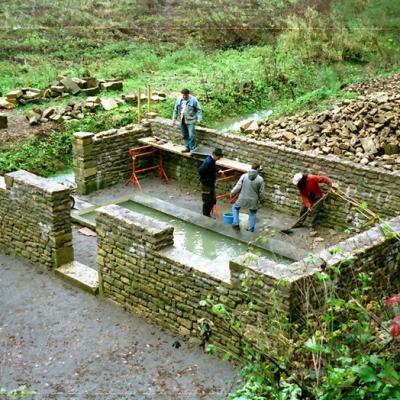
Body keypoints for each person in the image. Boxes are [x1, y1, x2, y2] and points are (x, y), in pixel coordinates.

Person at [230, 164, 265, 232]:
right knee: (253, 213)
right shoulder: (260, 179)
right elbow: (261, 193)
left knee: (235, 207)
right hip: (253, 200)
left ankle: (236, 223)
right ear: (257, 169)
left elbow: (238, 187)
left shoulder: (244, 176)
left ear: (251, 168)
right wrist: (261, 201)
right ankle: (250, 228)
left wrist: (232, 193)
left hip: (242, 198)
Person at [172, 88, 202, 153]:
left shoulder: (193, 100)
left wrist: (199, 119)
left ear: (188, 94)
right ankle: (187, 147)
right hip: (182, 119)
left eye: (186, 95)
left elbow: (199, 110)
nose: (184, 97)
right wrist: (174, 119)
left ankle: (192, 149)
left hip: (190, 120)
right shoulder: (179, 99)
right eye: (183, 95)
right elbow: (175, 110)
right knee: (184, 134)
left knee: (191, 135)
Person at [198, 148, 223, 217]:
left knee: (213, 200)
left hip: (211, 184)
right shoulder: (208, 162)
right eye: (218, 157)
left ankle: (208, 214)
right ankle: (205, 215)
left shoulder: (212, 161)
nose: (219, 158)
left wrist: (217, 171)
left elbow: (212, 168)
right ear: (215, 155)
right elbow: (200, 170)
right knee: (207, 201)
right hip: (206, 184)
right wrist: (207, 178)